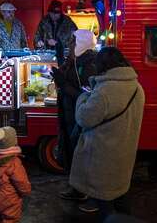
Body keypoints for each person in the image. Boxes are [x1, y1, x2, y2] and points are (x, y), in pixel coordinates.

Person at [69, 47, 145, 219]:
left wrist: (82, 97)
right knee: (121, 195)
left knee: (105, 204)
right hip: (125, 152)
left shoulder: (104, 91)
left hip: (104, 157)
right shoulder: (137, 87)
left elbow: (83, 118)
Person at [52, 30, 98, 200]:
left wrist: (63, 84)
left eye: (73, 42)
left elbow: (87, 96)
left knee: (79, 153)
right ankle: (76, 187)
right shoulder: (75, 60)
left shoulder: (89, 64)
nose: (70, 45)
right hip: (69, 113)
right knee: (72, 151)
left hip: (79, 116)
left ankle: (82, 191)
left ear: (82, 43)